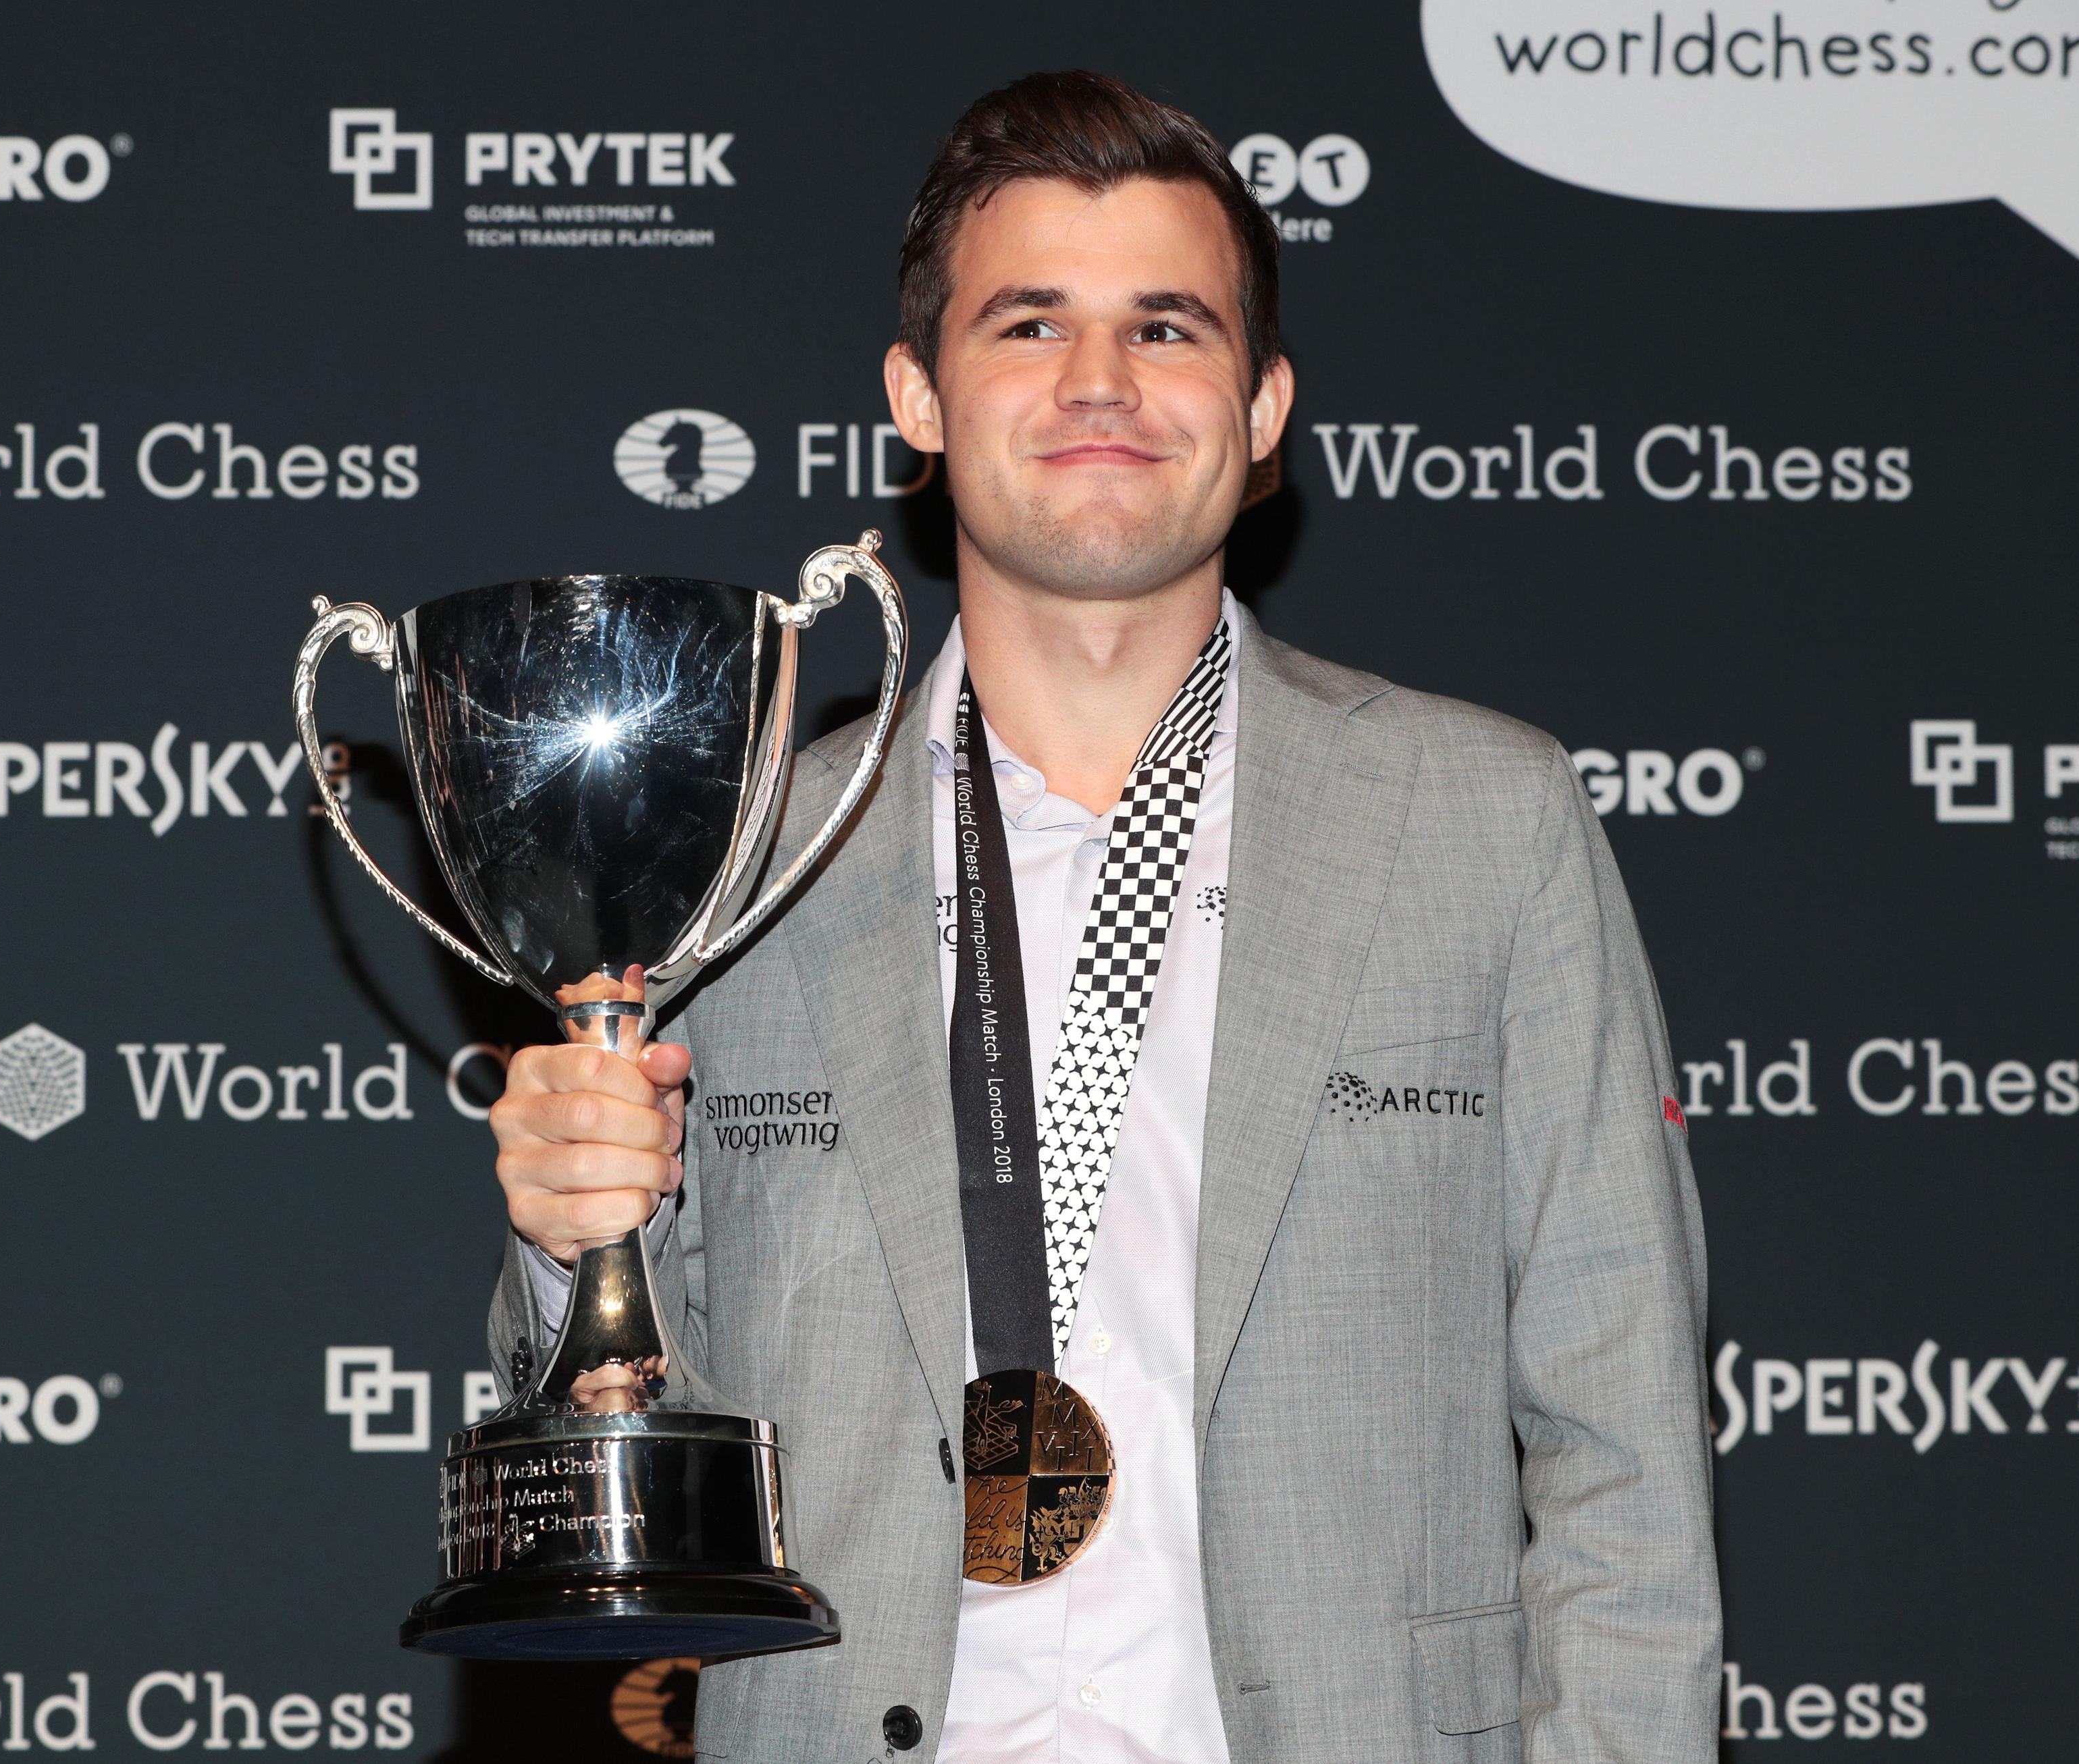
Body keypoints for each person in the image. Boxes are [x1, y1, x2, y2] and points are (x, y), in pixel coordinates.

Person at [487, 70, 1718, 1763]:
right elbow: (623, 1428)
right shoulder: (738, 852)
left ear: (1263, 404)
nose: (1098, 382)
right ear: (918, 397)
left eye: (1166, 326)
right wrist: (569, 1234)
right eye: (1030, 324)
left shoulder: (1485, 817)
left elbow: (1624, 1439)